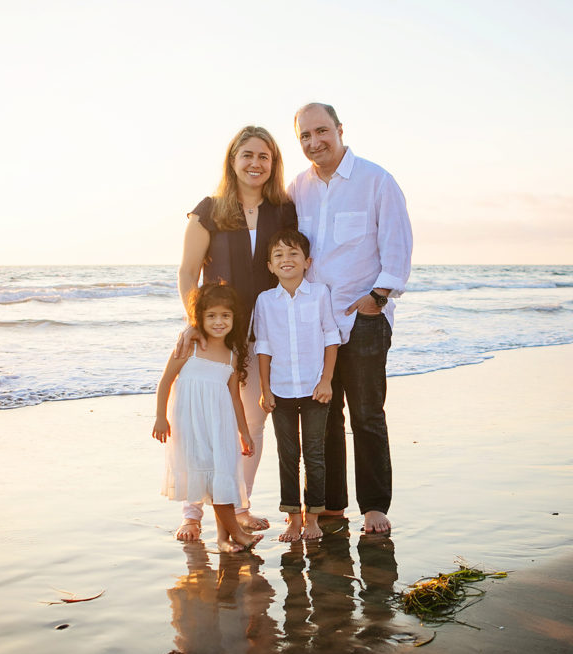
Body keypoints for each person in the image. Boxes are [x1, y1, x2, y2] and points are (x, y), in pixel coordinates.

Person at [287, 103, 413, 535]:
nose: (314, 142)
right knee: (325, 418)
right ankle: (333, 506)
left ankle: (374, 506)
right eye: (305, 136)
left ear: (340, 129)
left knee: (366, 415)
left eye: (321, 131)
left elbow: (397, 245)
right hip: (315, 324)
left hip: (361, 319)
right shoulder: (297, 188)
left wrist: (376, 298)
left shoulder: (376, 180)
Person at [175, 125, 298, 541]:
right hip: (218, 332)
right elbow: (188, 272)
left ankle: (240, 507)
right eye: (247, 155)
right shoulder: (208, 210)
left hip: (265, 334)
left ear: (273, 164)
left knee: (253, 424)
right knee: (205, 425)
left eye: (264, 156)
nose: (255, 163)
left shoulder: (283, 210)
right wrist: (196, 324)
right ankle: (193, 512)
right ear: (233, 160)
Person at [153, 283, 264, 553]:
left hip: (220, 426)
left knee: (221, 479)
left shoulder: (232, 356)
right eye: (211, 316)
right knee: (211, 480)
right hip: (191, 426)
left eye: (225, 316)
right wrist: (160, 417)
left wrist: (244, 432)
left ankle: (225, 539)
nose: (218, 322)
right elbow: (166, 381)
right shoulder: (188, 348)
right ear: (199, 318)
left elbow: (235, 398)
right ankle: (235, 534)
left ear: (234, 318)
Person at [253, 230, 340, 542]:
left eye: (293, 254)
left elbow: (331, 336)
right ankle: (292, 517)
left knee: (314, 452)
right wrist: (265, 389)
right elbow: (263, 346)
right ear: (270, 266)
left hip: (315, 388)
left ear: (307, 262)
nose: (286, 260)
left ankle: (313, 516)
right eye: (278, 256)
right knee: (288, 454)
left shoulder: (319, 294)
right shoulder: (265, 301)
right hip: (281, 389)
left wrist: (327, 380)